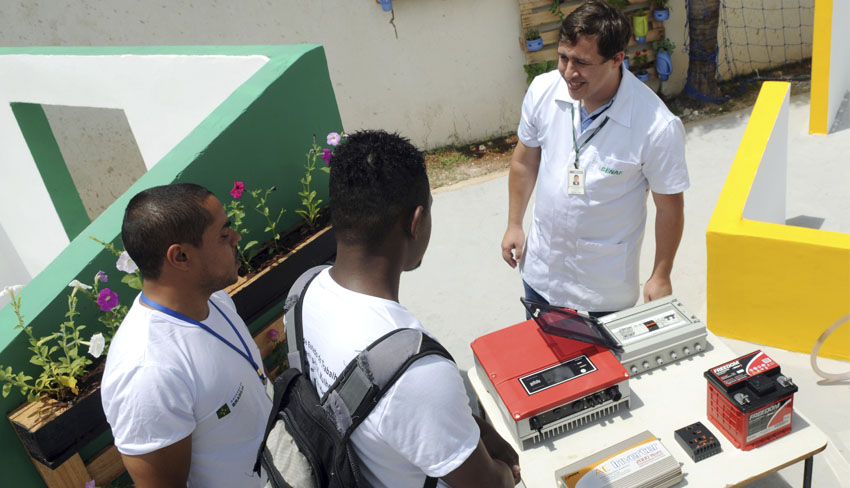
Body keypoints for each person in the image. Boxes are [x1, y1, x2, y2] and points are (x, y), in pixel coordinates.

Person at [300, 130, 520, 488]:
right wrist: (506, 472)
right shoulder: (416, 369)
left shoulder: (306, 293)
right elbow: (490, 485)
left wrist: (471, 430)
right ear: (415, 221)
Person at [500, 0, 689, 315]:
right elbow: (524, 161)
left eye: (582, 62)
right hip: (540, 275)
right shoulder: (543, 91)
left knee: (602, 366)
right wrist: (514, 223)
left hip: (603, 291)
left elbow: (669, 209)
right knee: (543, 362)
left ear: (617, 59)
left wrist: (661, 274)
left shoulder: (657, 126)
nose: (569, 73)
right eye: (563, 57)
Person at [101, 183, 272, 488]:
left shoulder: (214, 299)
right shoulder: (148, 372)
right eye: (223, 234)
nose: (237, 238)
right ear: (180, 257)